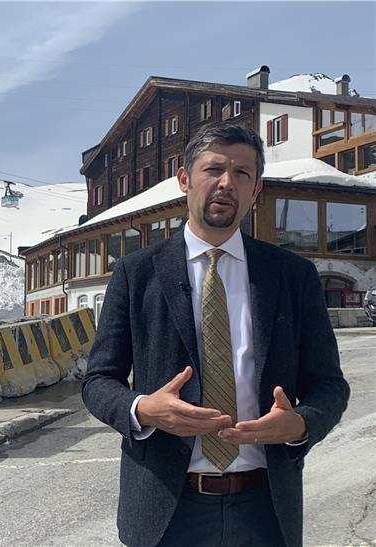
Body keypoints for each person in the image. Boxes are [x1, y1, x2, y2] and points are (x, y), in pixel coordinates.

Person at [82, 122, 349, 547]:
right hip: (167, 511)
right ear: (185, 180)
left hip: (266, 508)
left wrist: (300, 424)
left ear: (256, 188)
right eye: (214, 169)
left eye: (242, 173)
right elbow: (98, 381)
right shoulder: (137, 273)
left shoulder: (292, 275)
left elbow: (329, 385)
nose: (227, 183)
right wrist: (143, 409)